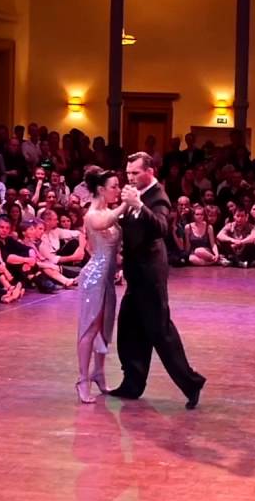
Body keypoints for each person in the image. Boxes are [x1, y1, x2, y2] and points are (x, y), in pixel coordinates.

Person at [109, 152, 206, 409]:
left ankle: (191, 382)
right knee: (129, 328)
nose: (130, 178)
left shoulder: (157, 196)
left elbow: (162, 228)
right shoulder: (135, 194)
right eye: (128, 173)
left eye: (135, 173)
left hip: (150, 275)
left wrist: (139, 205)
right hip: (136, 274)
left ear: (149, 171)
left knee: (160, 332)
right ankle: (133, 383)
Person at [74, 169, 130, 404]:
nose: (118, 190)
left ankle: (99, 373)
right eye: (114, 186)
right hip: (94, 278)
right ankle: (82, 380)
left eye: (119, 187)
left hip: (107, 277)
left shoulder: (108, 211)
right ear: (101, 190)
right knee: (90, 329)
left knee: (105, 327)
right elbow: (105, 222)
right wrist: (127, 203)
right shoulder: (92, 214)